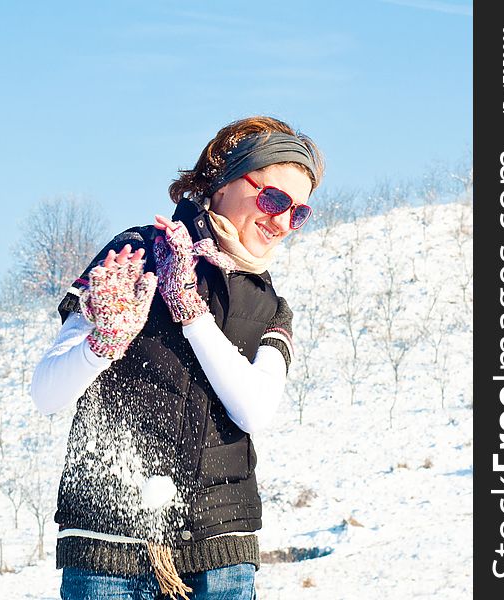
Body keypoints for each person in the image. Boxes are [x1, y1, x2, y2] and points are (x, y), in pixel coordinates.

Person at [30, 115, 325, 600]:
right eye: (274, 199)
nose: (281, 222)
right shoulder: (134, 255)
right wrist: (103, 342)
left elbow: (254, 410)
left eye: (298, 213)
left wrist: (192, 313)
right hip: (109, 545)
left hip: (219, 554)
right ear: (224, 179)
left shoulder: (270, 306)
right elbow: (46, 393)